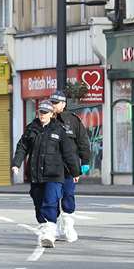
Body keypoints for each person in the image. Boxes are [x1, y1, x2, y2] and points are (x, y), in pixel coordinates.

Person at [11, 97, 80, 248]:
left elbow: (68, 153)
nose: (42, 115)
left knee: (50, 201)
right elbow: (22, 147)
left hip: (54, 174)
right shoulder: (31, 129)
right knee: (39, 203)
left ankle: (49, 234)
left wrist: (75, 172)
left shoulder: (59, 131)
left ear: (51, 114)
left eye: (45, 112)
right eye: (40, 112)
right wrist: (16, 164)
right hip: (36, 175)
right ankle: (46, 227)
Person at [47, 93, 92, 243]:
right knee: (52, 198)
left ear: (64, 104)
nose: (53, 105)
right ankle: (54, 228)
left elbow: (83, 142)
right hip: (50, 168)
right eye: (52, 102)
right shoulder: (45, 119)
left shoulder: (73, 120)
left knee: (68, 196)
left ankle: (68, 226)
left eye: (56, 102)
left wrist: (84, 161)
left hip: (68, 167)